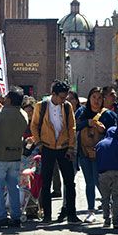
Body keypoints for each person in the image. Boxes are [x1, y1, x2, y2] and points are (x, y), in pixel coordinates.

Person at [30, 80, 81, 224]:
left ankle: (71, 214)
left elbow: (72, 127)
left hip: (64, 147)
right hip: (47, 147)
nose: (63, 100)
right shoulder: (41, 106)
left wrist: (71, 147)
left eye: (65, 97)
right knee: (46, 182)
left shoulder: (67, 107)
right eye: (61, 97)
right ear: (53, 94)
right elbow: (34, 125)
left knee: (69, 182)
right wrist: (39, 142)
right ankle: (47, 215)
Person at [0, 86, 28, 229]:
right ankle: (16, 217)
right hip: (15, 155)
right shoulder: (23, 114)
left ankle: (1, 217)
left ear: (8, 99)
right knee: (13, 187)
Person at [75, 87, 118, 223]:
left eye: (99, 98)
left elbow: (115, 133)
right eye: (94, 97)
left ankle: (108, 208)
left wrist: (104, 131)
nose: (96, 100)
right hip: (84, 152)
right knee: (89, 182)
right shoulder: (82, 112)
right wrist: (87, 123)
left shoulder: (108, 115)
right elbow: (74, 127)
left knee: (102, 182)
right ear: (89, 98)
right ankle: (91, 211)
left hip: (101, 155)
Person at [96, 126, 118, 229]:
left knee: (105, 198)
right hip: (117, 173)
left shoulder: (100, 144)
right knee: (116, 197)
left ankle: (106, 220)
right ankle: (116, 221)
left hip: (103, 173)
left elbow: (97, 159)